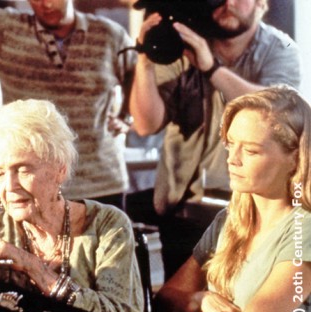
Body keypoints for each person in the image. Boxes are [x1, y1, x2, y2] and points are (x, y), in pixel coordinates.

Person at [129, 0, 301, 280]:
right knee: (182, 308)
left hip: (252, 208)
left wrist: (211, 68)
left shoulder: (280, 50)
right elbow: (146, 124)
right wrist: (145, 59)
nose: (228, 3)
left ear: (262, 4)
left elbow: (275, 114)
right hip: (183, 206)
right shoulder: (182, 45)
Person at [0, 99, 144, 312]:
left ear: (60, 170)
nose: (10, 185)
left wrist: (35, 268)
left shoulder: (107, 225)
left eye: (23, 169)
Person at [0, 0, 138, 209]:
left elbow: (136, 71)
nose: (45, 4)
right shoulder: (6, 26)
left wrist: (126, 115)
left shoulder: (109, 35)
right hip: (32, 183)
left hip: (101, 180)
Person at [152, 85, 311, 312]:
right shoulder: (229, 218)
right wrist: (198, 300)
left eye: (250, 150)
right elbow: (164, 300)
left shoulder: (305, 229)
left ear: (294, 159)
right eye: (230, 144)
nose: (232, 159)